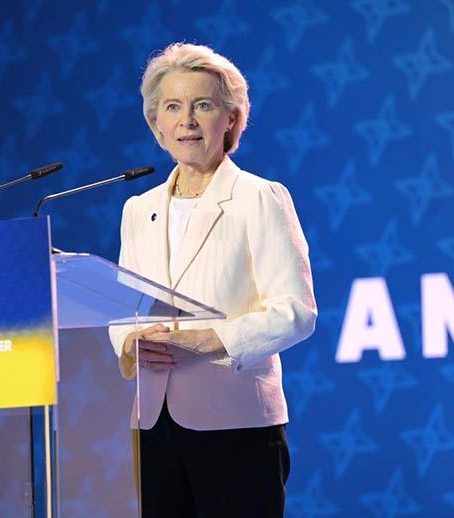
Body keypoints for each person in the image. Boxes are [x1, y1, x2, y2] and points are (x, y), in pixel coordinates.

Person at [108, 42, 316, 517]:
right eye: (172, 107)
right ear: (156, 124)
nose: (186, 120)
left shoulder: (259, 197)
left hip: (236, 424)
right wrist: (129, 343)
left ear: (231, 119)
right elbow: (121, 310)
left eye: (202, 105)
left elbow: (296, 313)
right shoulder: (138, 209)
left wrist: (206, 342)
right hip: (153, 424)